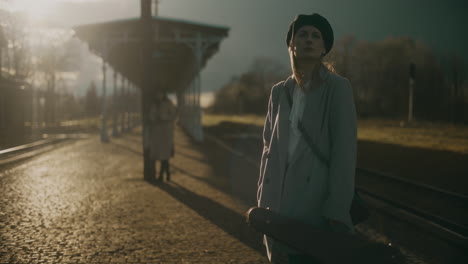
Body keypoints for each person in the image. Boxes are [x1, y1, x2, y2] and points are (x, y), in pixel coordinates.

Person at [256, 13, 357, 264]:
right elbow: (268, 148)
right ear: (292, 44)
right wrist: (263, 198)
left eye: (316, 36)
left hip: (317, 203)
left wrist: (337, 208)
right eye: (302, 35)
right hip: (279, 201)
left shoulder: (338, 88)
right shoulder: (279, 91)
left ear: (324, 47)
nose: (309, 40)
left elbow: (344, 152)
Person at [149, 92, 178, 182]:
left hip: (166, 132)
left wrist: (164, 117)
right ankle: (166, 173)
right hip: (158, 132)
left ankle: (162, 175)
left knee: (165, 155)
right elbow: (151, 116)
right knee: (163, 156)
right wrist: (155, 118)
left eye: (160, 93)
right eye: (157, 93)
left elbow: (173, 115)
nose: (158, 95)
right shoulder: (154, 104)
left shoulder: (168, 103)